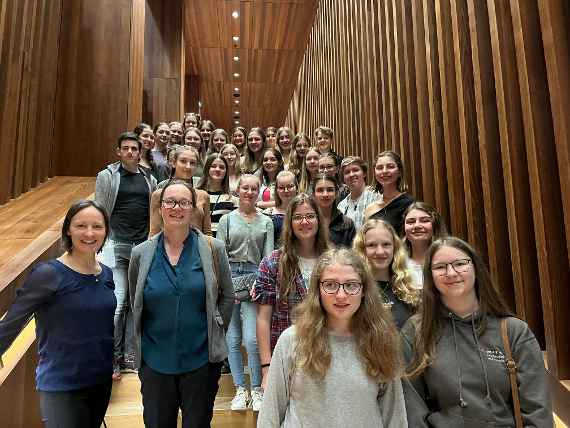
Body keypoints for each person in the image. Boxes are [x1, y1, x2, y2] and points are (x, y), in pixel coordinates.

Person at [401, 237, 553, 427]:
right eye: (440, 267)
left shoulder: (514, 331)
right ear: (430, 276)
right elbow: (412, 408)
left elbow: (538, 410)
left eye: (459, 264)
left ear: (476, 268)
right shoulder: (416, 332)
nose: (451, 272)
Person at [258, 248, 407, 427]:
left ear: (364, 290)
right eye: (330, 285)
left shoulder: (381, 341)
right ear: (317, 290)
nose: (341, 295)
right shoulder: (292, 339)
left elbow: (394, 416)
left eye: (351, 285)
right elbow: (270, 413)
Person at [0, 200, 116, 428]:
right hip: (61, 385)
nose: (89, 233)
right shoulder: (48, 274)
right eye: (81, 225)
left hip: (99, 381)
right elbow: (14, 320)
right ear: (68, 230)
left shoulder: (106, 275)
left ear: (105, 231)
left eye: (97, 226)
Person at [128, 180, 234, 428]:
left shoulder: (213, 248)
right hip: (154, 362)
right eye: (171, 202)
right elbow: (136, 303)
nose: (177, 208)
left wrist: (216, 329)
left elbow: (227, 296)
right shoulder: (140, 253)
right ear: (160, 207)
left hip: (201, 362)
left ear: (194, 208)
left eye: (184, 202)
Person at [96, 131, 157, 379]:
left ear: (140, 152)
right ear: (119, 151)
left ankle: (130, 357)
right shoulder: (107, 176)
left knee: (136, 305)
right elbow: (99, 210)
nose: (131, 152)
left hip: (141, 247)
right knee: (119, 304)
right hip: (116, 245)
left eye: (135, 148)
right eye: (126, 148)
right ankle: (111, 359)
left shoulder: (148, 178)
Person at [255, 194, 330, 390]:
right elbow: (263, 319)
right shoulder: (272, 262)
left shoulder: (333, 260)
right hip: (287, 354)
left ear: (318, 220)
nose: (304, 222)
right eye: (297, 217)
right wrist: (266, 367)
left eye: (310, 216)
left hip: (328, 352)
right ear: (290, 222)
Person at [217, 175, 274, 411]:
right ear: (237, 191)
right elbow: (219, 256)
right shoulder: (227, 220)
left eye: (254, 188)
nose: (249, 192)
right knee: (232, 338)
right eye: (245, 188)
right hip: (230, 277)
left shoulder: (266, 221)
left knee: (252, 338)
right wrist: (225, 286)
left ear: (259, 191)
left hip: (255, 278)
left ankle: (258, 389)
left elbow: (268, 257)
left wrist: (260, 282)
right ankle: (240, 388)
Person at [353, 219, 420, 328]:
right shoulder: (353, 290)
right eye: (371, 245)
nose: (380, 252)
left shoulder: (409, 291)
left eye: (386, 244)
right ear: (362, 249)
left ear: (395, 248)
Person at [149, 146, 211, 237]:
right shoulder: (158, 195)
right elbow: (154, 232)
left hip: (196, 248)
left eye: (192, 163)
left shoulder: (203, 196)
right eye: (183, 161)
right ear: (173, 163)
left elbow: (207, 233)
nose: (188, 166)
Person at [364, 151, 414, 235]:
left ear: (399, 172)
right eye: (379, 168)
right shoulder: (370, 208)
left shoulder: (409, 204)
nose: (384, 171)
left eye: (390, 167)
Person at [403, 202, 447, 289]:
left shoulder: (449, 258)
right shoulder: (396, 262)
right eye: (411, 222)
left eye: (424, 220)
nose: (417, 225)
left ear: (435, 225)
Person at [196, 153, 238, 237]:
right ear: (207, 168)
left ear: (226, 172)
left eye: (222, 167)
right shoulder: (197, 195)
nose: (217, 169)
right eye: (213, 166)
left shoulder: (233, 200)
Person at [312, 174, 356, 248]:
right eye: (320, 190)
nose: (325, 194)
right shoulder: (307, 222)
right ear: (313, 194)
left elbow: (352, 255)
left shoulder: (347, 224)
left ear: (336, 193)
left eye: (330, 190)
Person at [337, 156, 381, 229]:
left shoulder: (376, 197)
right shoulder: (341, 206)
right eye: (347, 172)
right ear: (344, 178)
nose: (351, 174)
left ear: (364, 174)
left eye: (355, 170)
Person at [263, 171, 298, 249]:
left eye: (290, 186)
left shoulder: (304, 211)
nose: (286, 190)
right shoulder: (268, 213)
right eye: (281, 188)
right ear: (276, 190)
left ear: (297, 187)